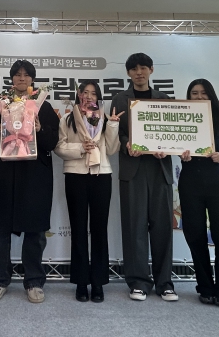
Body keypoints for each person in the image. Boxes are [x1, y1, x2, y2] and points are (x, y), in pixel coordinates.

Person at [0, 60, 60, 304]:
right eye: (17, 75)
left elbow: (52, 142)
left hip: (35, 176)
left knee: (35, 231)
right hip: (3, 175)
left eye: (26, 75)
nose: (21, 78)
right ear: (11, 79)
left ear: (32, 80)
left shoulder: (42, 106)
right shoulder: (0, 105)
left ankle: (34, 281)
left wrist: (40, 128)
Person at [110, 52, 178, 302]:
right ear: (128, 73)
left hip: (160, 169)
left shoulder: (164, 99)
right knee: (134, 227)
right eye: (134, 69)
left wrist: (167, 147)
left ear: (151, 70)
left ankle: (165, 283)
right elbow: (116, 132)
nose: (139, 73)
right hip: (133, 169)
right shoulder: (119, 99)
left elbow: (173, 132)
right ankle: (138, 282)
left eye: (143, 68)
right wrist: (127, 143)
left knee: (162, 228)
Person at [54, 80, 122, 303]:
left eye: (93, 93)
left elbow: (111, 149)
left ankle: (98, 282)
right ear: (79, 95)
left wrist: (112, 125)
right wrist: (80, 148)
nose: (89, 96)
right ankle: (81, 282)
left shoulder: (103, 118)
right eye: (85, 92)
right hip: (75, 176)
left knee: (99, 229)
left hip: (101, 175)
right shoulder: (67, 119)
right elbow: (59, 147)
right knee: (78, 229)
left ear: (98, 97)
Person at [178, 78, 219, 307]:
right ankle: (205, 287)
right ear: (188, 96)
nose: (199, 97)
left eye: (203, 93)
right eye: (194, 93)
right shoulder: (181, 119)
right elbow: (173, 143)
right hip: (190, 182)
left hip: (217, 183)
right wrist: (181, 154)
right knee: (195, 237)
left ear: (210, 95)